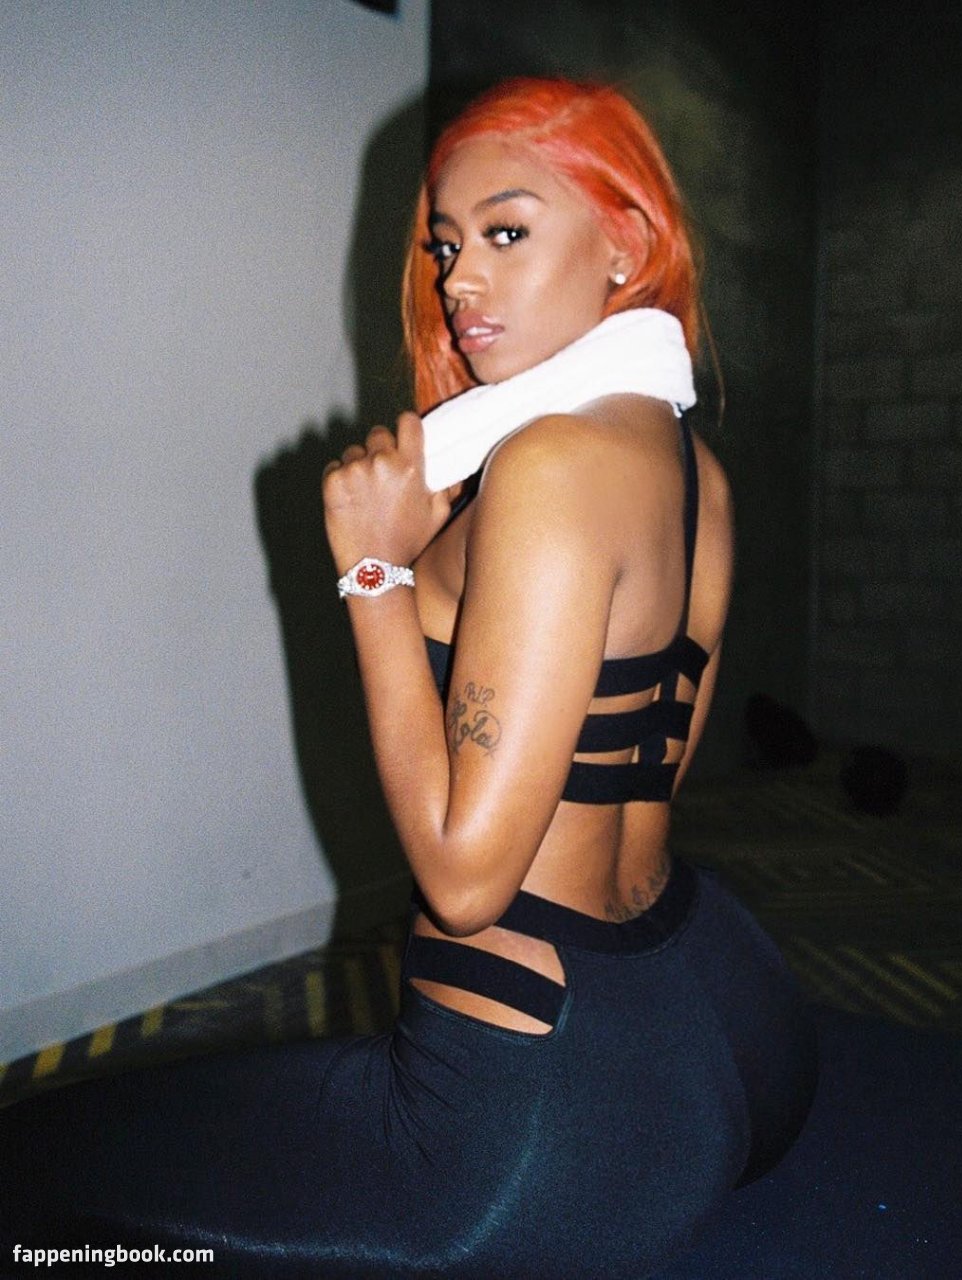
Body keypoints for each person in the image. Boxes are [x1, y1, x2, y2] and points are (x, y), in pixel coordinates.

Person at [0, 78, 816, 1278]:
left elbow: (466, 878)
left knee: (34, 1158)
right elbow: (647, 763)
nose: (458, 279)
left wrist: (374, 572)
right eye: (444, 245)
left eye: (505, 230)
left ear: (625, 242)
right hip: (718, 1009)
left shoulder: (550, 464)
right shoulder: (692, 462)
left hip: (534, 1113)